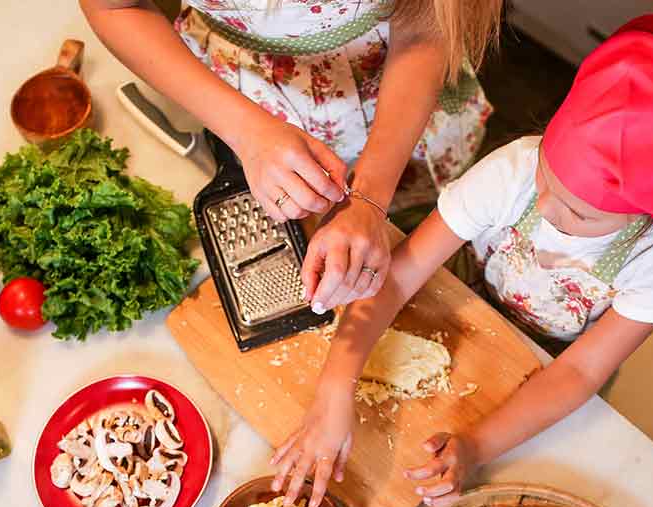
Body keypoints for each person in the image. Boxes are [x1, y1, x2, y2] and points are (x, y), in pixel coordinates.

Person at [270, 13, 653, 507]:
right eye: (548, 176)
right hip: (470, 293)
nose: (545, 207)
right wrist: (334, 388)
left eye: (579, 214)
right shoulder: (515, 169)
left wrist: (476, 447)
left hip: (554, 362)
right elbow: (398, 276)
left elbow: (579, 373)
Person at [80, 0, 499, 313]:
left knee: (424, 217)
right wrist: (247, 131)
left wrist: (371, 197)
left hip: (398, 96)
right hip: (241, 93)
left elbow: (426, 28)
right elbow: (114, 7)